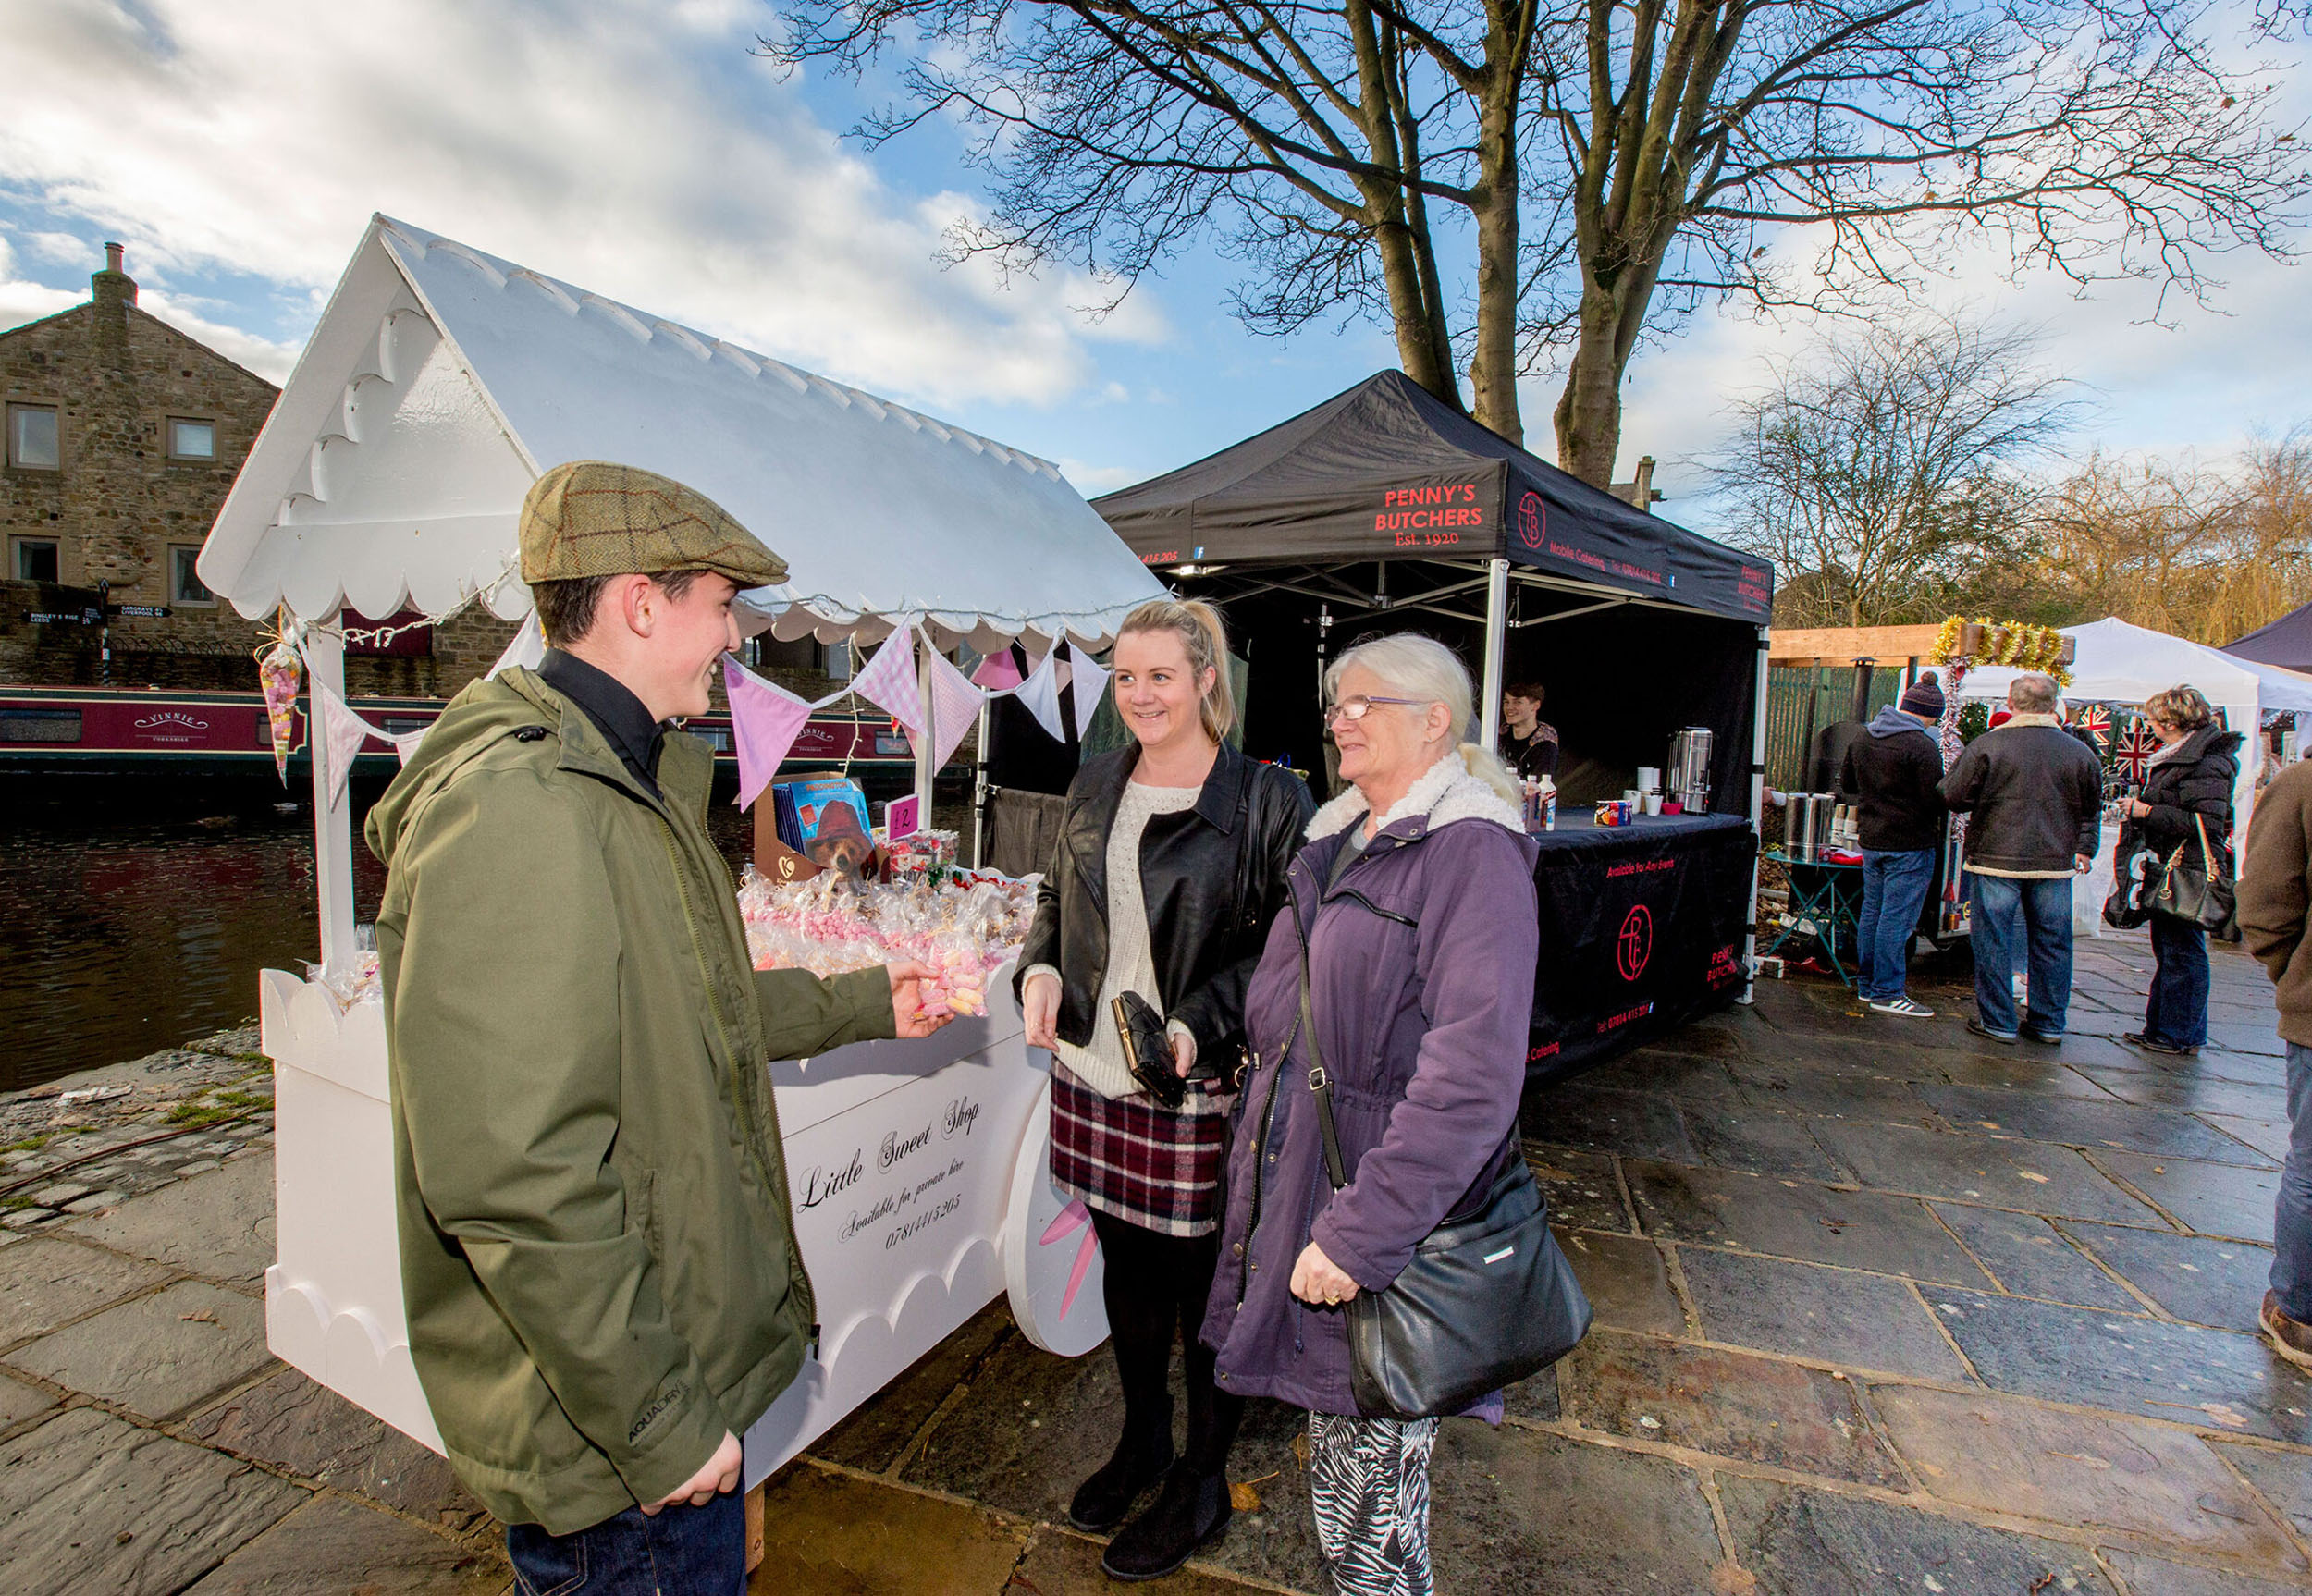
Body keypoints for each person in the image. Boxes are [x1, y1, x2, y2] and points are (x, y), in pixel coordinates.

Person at [368, 461, 952, 1595]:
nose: (733, 637)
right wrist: (662, 1421)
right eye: (722, 604)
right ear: (642, 604)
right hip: (616, 1450)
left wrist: (874, 999)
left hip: (654, 1382)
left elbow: (700, 998)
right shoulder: (522, 809)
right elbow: (515, 1176)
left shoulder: (631, 786)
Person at [1202, 634, 1538, 1596]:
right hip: (1312, 1190)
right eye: (1334, 705)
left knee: (1375, 1515)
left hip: (1377, 1225)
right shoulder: (1343, 837)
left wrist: (1357, 1236)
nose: (1339, 719)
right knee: (1347, 1490)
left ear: (1436, 720)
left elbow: (1471, 1080)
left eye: (1363, 703)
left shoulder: (1468, 853)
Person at [1015, 599, 1312, 1580]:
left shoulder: (1267, 799)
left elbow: (1290, 946)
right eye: (1127, 676)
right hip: (1094, 1069)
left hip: (1193, 1081)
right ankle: (1143, 1437)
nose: (1141, 694)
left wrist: (1198, 1021)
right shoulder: (1097, 777)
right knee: (1125, 1263)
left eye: (1161, 676)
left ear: (1205, 681)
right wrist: (1041, 970)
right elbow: (1057, 896)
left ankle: (1199, 1474)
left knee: (1201, 1289)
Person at [1938, 672, 2103, 1043]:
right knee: (2053, 943)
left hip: (1996, 857)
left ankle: (1998, 1020)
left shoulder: (1988, 746)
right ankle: (2048, 1023)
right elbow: (2093, 808)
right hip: (2054, 861)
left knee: (1993, 940)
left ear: (2010, 704)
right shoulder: (2080, 752)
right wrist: (2083, 848)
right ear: (2054, 705)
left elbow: (1952, 796)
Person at [2237, 756, 2312, 1371]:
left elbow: (2264, 903)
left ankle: (2301, 1313)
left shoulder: (2302, 784)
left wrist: (2293, 974)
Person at [2120, 686, 2240, 1056]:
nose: (2150, 727)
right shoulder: (2190, 757)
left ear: (2171, 723)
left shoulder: (2205, 761)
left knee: (2183, 953)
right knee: (2172, 950)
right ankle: (2164, 1027)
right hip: (2174, 863)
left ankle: (2176, 1032)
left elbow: (2207, 821)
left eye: (2152, 721)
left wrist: (2147, 812)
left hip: (2187, 868)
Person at [1839, 672, 1949, 1018]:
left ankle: (1868, 985)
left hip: (1872, 839)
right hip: (1910, 843)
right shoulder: (1922, 746)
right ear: (1930, 714)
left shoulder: (1863, 737)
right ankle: (1888, 991)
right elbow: (1935, 799)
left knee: (1872, 913)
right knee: (1896, 920)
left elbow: (1847, 785)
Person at [1500, 681, 1559, 780]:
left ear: (1535, 706)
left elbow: (1539, 788)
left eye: (1517, 702)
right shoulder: (1498, 735)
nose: (1509, 707)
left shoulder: (1545, 746)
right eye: (1506, 702)